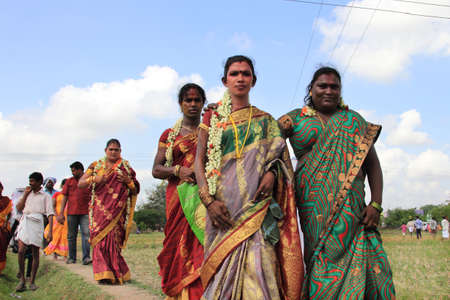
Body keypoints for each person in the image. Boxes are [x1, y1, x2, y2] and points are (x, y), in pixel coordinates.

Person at [279, 66, 395, 299]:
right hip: (312, 209)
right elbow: (265, 136)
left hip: (352, 211)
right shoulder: (295, 118)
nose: (329, 91)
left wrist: (376, 204)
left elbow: (373, 165)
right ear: (311, 89)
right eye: (322, 86)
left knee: (371, 263)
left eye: (334, 87)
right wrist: (221, 112)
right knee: (320, 260)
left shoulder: (353, 121)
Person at [194, 55, 303, 300]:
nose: (240, 78)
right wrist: (209, 202)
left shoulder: (265, 120)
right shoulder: (212, 119)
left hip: (256, 210)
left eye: (246, 73)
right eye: (235, 73)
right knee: (221, 275)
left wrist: (272, 174)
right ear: (225, 80)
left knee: (260, 270)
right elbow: (198, 163)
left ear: (253, 80)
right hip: (221, 211)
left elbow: (279, 159)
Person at [153, 83, 206, 299]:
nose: (193, 104)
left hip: (204, 198)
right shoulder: (169, 135)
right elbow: (156, 169)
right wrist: (177, 170)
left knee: (202, 246)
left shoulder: (211, 130)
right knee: (176, 246)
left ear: (203, 103)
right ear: (180, 104)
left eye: (197, 100)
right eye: (188, 100)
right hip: (178, 200)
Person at [78, 139, 139, 284]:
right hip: (99, 210)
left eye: (116, 150)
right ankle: (103, 275)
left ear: (120, 151)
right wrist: (95, 178)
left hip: (118, 211)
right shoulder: (95, 166)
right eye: (111, 149)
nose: (113, 152)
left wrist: (127, 181)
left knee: (114, 241)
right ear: (105, 150)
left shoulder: (126, 167)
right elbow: (80, 183)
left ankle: (117, 272)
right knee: (99, 241)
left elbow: (135, 189)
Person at [15, 172, 54, 292]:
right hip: (25, 220)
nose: (30, 183)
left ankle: (32, 281)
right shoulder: (27, 193)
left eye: (32, 181)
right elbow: (19, 208)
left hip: (37, 222)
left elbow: (50, 214)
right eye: (29, 181)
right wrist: (26, 194)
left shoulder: (45, 196)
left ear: (39, 182)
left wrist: (50, 231)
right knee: (21, 251)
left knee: (35, 253)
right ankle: (22, 279)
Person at [57, 161, 91, 265]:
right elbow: (64, 197)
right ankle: (72, 258)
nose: (73, 172)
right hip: (71, 212)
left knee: (86, 234)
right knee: (71, 235)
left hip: (85, 212)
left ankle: (86, 258)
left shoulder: (88, 180)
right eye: (72, 170)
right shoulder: (69, 182)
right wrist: (61, 213)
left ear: (81, 170)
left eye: (74, 170)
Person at [44, 179, 68, 259]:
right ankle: (54, 253)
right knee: (55, 235)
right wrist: (57, 216)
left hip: (67, 218)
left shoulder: (70, 195)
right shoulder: (57, 194)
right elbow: (53, 206)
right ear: (62, 186)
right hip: (57, 217)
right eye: (64, 185)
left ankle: (65, 254)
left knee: (64, 236)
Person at [0, 181, 12, 275]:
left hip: (3, 227)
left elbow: (10, 213)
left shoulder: (6, 200)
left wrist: (5, 222)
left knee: (2, 248)